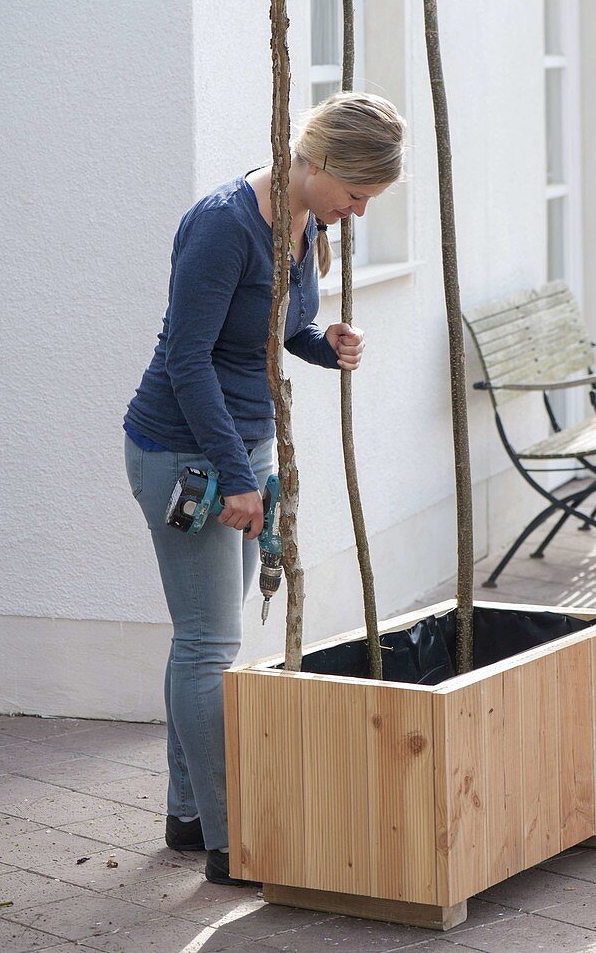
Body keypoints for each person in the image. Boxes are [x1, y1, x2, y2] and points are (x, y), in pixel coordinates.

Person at [123, 91, 406, 885]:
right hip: (184, 452)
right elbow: (188, 359)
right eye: (355, 195)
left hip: (238, 447)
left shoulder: (303, 218)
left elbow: (270, 332)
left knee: (205, 640)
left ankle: (189, 815)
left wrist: (326, 345)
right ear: (316, 164)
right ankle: (229, 838)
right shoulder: (223, 223)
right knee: (212, 645)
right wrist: (240, 478)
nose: (355, 214)